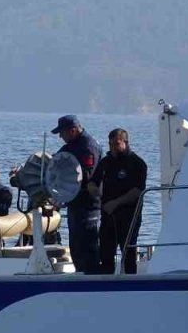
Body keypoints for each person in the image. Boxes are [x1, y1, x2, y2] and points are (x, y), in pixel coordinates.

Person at [51, 115, 103, 274]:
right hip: (74, 204)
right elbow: (56, 161)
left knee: (88, 247)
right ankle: (82, 273)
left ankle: (91, 279)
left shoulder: (88, 147)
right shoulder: (72, 146)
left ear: (73, 130)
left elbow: (86, 177)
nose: (61, 137)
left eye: (62, 133)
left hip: (88, 206)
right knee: (76, 246)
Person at [95, 128, 149, 275]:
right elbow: (94, 182)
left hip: (129, 217)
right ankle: (106, 286)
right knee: (105, 254)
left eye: (116, 144)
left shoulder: (137, 164)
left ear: (125, 142)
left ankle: (131, 285)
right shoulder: (106, 162)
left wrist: (116, 202)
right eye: (110, 144)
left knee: (129, 255)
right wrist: (95, 191)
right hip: (108, 216)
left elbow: (137, 190)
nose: (113, 147)